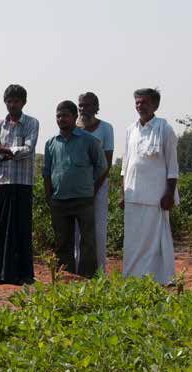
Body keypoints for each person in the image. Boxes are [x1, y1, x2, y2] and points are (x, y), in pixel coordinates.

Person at [121, 88, 179, 284]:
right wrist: (123, 194)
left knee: (155, 242)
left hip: (156, 198)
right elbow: (125, 166)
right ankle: (132, 279)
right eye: (137, 102)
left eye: (144, 102)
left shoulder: (165, 129)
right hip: (133, 196)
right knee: (133, 242)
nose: (140, 106)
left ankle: (158, 279)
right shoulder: (131, 130)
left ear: (155, 105)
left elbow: (172, 166)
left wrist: (169, 194)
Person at [43, 101, 107, 278]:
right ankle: (66, 277)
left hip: (83, 199)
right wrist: (49, 197)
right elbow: (46, 172)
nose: (61, 119)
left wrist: (91, 189)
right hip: (59, 200)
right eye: (58, 116)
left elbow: (102, 167)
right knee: (62, 242)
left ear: (74, 117)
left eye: (65, 115)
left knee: (87, 241)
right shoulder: (51, 143)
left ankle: (87, 278)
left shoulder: (89, 141)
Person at [0, 84, 39, 285]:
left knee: (22, 228)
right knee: (4, 228)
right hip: (3, 184)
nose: (12, 104)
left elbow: (28, 148)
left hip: (23, 184)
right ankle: (3, 274)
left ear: (23, 102)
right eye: (9, 101)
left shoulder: (31, 122)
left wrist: (4, 150)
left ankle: (24, 274)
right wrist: (5, 154)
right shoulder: (0, 125)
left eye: (16, 101)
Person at [73, 92, 114, 272]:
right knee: (76, 232)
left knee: (97, 231)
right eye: (81, 105)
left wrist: (93, 189)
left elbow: (107, 163)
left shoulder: (106, 128)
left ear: (96, 107)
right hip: (75, 188)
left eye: (88, 105)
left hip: (98, 187)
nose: (84, 109)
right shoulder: (73, 128)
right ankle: (77, 270)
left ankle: (99, 272)